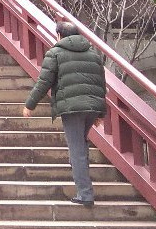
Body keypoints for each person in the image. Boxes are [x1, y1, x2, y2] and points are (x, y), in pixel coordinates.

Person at [23, 21, 107, 208]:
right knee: (80, 146)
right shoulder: (93, 54)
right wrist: (101, 112)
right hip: (92, 107)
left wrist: (30, 104)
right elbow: (101, 84)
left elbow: (44, 82)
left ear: (59, 35)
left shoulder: (55, 53)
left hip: (72, 107)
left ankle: (85, 194)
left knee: (76, 149)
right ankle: (84, 188)